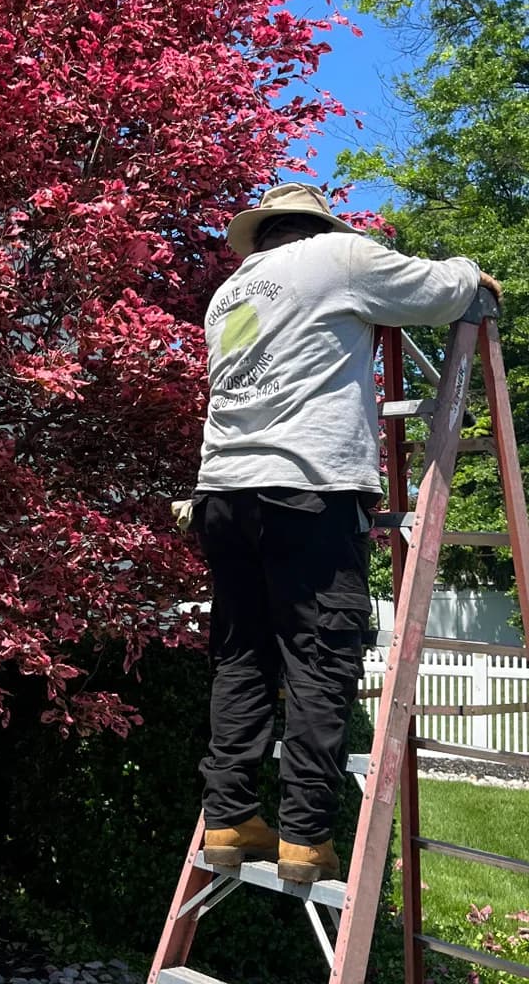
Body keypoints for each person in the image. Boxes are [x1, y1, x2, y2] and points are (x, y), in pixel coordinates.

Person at [182, 182, 501, 883]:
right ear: (316, 226)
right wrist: (471, 273)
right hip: (306, 489)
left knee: (242, 657)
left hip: (223, 497)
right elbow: (438, 290)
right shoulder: (337, 257)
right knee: (320, 658)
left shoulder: (229, 294)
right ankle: (304, 838)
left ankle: (231, 816)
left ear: (265, 233)